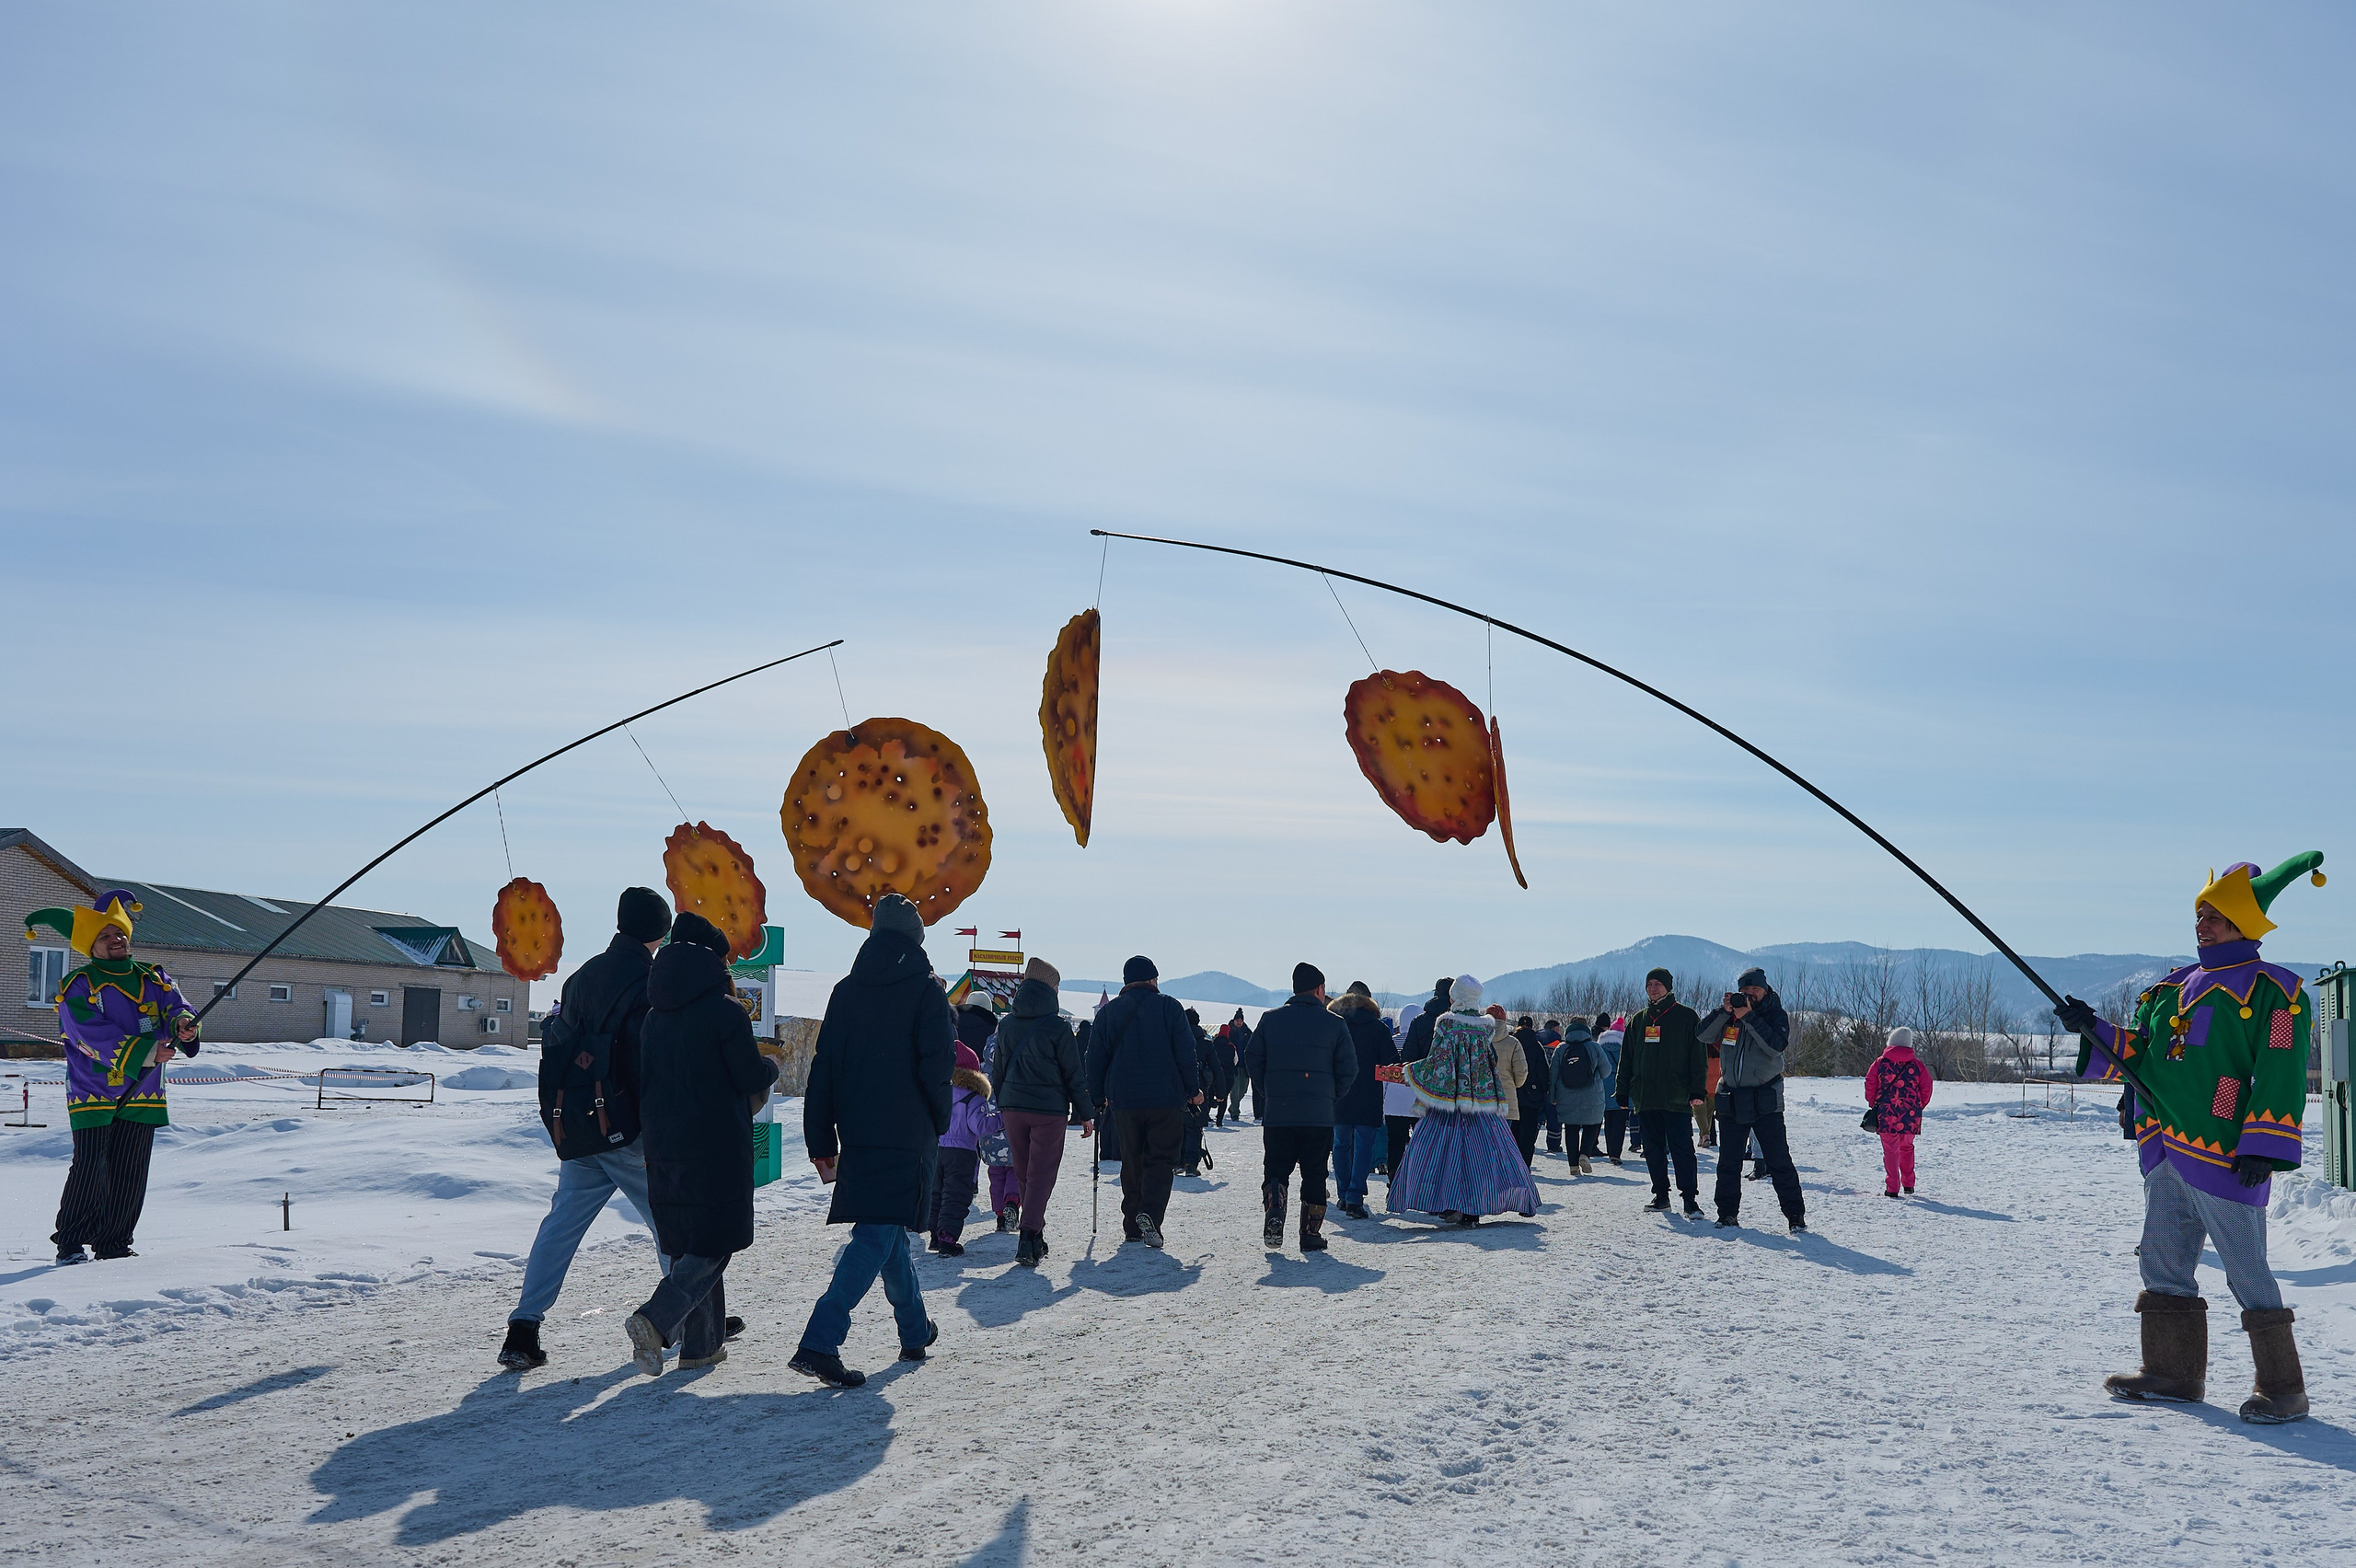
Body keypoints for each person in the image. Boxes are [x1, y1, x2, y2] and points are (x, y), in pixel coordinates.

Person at [2058, 853, 2325, 1424]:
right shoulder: (2170, 988)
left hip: (2228, 1151)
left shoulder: (2278, 993)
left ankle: (2284, 1388)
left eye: (2214, 916)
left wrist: (2266, 1140)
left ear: (2243, 925)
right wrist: (2092, 1029)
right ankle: (2173, 1374)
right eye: (2200, 913)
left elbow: (2281, 1067)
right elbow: (2141, 1059)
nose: (2201, 923)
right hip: (2164, 1143)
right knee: (2161, 1259)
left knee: (2246, 1268)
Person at [501, 886, 673, 1370]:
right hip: (626, 1129)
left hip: (577, 1125)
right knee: (669, 1221)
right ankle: (688, 1313)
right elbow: (647, 1062)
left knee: (561, 1226)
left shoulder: (581, 977)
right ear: (659, 932)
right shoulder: (650, 980)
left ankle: (523, 1328)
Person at [791, 894, 953, 1389]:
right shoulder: (927, 992)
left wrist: (820, 1135)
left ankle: (914, 1329)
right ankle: (820, 1341)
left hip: (858, 1130)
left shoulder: (845, 990)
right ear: (916, 938)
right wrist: (938, 1122)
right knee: (878, 1232)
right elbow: (937, 1067)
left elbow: (825, 1068)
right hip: (908, 1131)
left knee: (887, 1229)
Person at [624, 911, 780, 1377]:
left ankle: (702, 1346)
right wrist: (770, 1065)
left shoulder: (654, 1017)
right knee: (715, 1241)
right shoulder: (725, 1012)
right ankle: (655, 1318)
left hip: (664, 1142)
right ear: (714, 961)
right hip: (715, 1144)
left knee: (690, 1239)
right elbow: (748, 1076)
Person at [29, 891, 199, 1266]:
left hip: (144, 1089)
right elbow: (86, 1033)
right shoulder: (79, 984)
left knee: (130, 1171)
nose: (116, 939)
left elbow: (177, 1008)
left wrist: (184, 1026)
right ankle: (70, 1243)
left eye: (119, 932)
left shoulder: (154, 978)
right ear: (92, 945)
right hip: (94, 1089)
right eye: (105, 935)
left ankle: (114, 1244)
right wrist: (148, 1052)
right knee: (91, 1165)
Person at [1388, 975, 1536, 1226]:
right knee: (1484, 1156)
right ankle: (1475, 1208)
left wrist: (1410, 1071)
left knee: (1443, 1155)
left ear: (1454, 997)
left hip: (1450, 1104)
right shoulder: (1485, 1026)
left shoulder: (1446, 1024)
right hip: (1482, 1105)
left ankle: (1447, 1202)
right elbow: (1491, 1062)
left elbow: (1439, 1062)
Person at [1086, 955, 1201, 1249]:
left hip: (1124, 1100)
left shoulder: (1109, 1012)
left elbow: (1095, 1058)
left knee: (1132, 1159)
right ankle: (1149, 1214)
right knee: (1161, 1159)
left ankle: (1132, 1226)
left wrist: (1097, 1097)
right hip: (1165, 1098)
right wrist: (1193, 1089)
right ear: (1152, 979)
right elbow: (1186, 1052)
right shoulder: (1170, 1007)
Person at [1244, 964, 1358, 1250]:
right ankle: (1310, 1233)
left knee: (1276, 1168)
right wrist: (1331, 1096)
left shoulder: (1270, 1020)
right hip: (1318, 1116)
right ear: (1320, 990)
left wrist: (1267, 1090)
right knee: (1315, 1172)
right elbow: (1350, 1068)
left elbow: (1252, 1058)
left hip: (1278, 1113)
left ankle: (1275, 1208)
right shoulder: (1335, 1024)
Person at [988, 956, 1092, 1267]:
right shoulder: (1058, 1028)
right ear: (1050, 988)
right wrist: (1085, 1112)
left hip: (1014, 1109)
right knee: (1041, 1174)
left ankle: (1035, 1237)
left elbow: (998, 1071)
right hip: (1049, 1111)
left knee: (1024, 1172)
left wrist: (1006, 1100)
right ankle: (1027, 1235)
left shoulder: (1006, 1024)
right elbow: (1074, 1074)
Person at [1697, 967, 1806, 1233]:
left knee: (1778, 1160)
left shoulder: (1775, 1015)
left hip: (1765, 1098)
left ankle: (1795, 1217)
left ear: (1765, 989)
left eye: (1754, 990)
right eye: (1744, 991)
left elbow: (1774, 1046)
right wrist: (1724, 1012)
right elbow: (1702, 1035)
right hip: (1732, 1097)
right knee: (1729, 1161)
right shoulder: (1730, 1016)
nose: (1749, 995)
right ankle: (1726, 1214)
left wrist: (1749, 1018)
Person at [1617, 968, 1704, 1215]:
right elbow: (1627, 1059)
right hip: (1646, 1097)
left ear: (1669, 987)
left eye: (1658, 984)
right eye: (1649, 984)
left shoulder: (1687, 1017)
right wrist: (1622, 1090)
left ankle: (1689, 1199)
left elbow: (1698, 1058)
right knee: (1653, 1150)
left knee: (1682, 1149)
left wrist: (1697, 1090)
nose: (1653, 988)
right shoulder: (1638, 1020)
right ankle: (1661, 1196)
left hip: (1676, 1097)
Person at [1330, 982, 1396, 1219]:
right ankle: (1355, 1197)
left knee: (1340, 1143)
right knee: (1364, 1144)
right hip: (1369, 1093)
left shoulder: (1335, 1024)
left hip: (1340, 1092)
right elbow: (1390, 1061)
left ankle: (1342, 1192)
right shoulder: (1378, 1028)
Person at [957, 991, 1021, 1231]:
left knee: (994, 1172)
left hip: (983, 1122)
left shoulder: (982, 1069)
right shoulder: (1014, 1067)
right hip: (1012, 1125)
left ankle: (999, 1214)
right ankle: (1012, 1201)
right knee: (1014, 1169)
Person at [928, 1043, 997, 1255]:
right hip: (962, 1153)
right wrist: (1002, 1120)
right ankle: (947, 1238)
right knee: (956, 1195)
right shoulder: (973, 1097)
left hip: (938, 1150)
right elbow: (979, 1126)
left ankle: (934, 1235)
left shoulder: (940, 1093)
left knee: (937, 1193)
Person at [1864, 1027, 1932, 1199]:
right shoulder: (1917, 1065)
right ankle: (1909, 1184)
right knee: (1907, 1148)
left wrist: (1873, 1103)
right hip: (1910, 1114)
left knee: (1890, 1151)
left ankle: (1892, 1187)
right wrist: (1918, 1106)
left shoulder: (1880, 1063)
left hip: (1886, 1113)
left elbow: (1870, 1084)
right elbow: (1927, 1088)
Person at [1547, 1014, 1605, 1174]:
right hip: (1592, 1095)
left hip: (1566, 1094)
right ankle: (1585, 1154)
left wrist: (1552, 1096)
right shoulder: (1594, 1047)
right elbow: (1606, 1071)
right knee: (1593, 1123)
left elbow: (1553, 1074)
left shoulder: (1561, 1048)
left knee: (1571, 1128)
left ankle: (1573, 1165)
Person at [1381, 1002, 1424, 1180]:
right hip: (1417, 1099)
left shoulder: (1392, 1042)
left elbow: (1384, 1073)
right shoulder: (1421, 1042)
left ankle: (1394, 1180)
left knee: (1395, 1143)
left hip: (1393, 1100)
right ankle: (1416, 1179)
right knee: (1420, 1143)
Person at [1509, 1015, 1552, 1167]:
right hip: (1531, 1096)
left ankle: (1511, 1165)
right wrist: (1544, 1091)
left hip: (1511, 1093)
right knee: (1528, 1135)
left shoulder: (1510, 1043)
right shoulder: (1536, 1045)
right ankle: (1525, 1166)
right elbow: (1543, 1072)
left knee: (1512, 1132)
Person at [1595, 1013, 1629, 1165]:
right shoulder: (1626, 1045)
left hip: (1603, 1087)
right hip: (1621, 1087)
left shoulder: (1600, 1045)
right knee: (1620, 1122)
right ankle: (1616, 1152)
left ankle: (1610, 1149)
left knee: (1608, 1120)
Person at [1538, 1019, 1565, 1155]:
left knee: (1536, 1114)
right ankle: (1554, 1144)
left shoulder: (1537, 1040)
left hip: (1536, 1084)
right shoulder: (1559, 1043)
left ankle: (1530, 1140)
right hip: (1554, 1084)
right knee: (1554, 1116)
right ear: (1555, 1029)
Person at [1228, 1009, 1256, 1121]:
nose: (1239, 1023)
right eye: (1237, 1020)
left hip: (1245, 1065)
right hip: (1234, 1065)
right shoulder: (1229, 1032)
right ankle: (1235, 1112)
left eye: (1241, 1021)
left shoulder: (1247, 1032)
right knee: (1235, 1090)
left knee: (1243, 1090)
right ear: (1234, 1021)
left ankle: (1232, 1107)